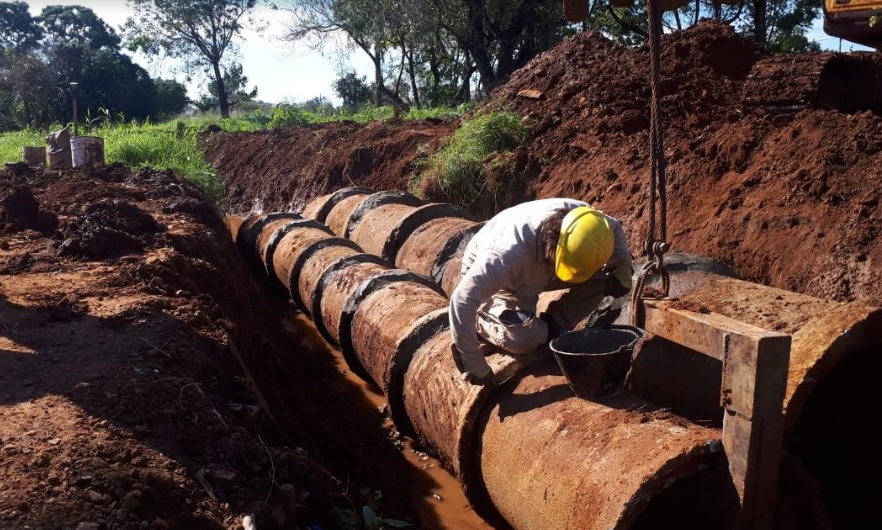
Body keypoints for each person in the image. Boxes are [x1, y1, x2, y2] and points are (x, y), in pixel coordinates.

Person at [449, 198, 633, 385]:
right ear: (552, 247)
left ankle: (555, 324)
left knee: (608, 278)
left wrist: (623, 265)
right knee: (525, 339)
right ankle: (482, 324)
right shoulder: (505, 257)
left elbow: (614, 227)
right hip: (506, 285)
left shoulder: (586, 222)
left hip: (544, 269)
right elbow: (462, 300)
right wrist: (474, 364)